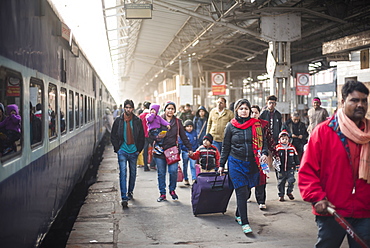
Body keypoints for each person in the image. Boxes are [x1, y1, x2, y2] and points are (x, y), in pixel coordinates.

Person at [298, 81, 370, 247]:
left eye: (364, 100)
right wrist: (317, 197)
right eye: (354, 100)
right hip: (331, 210)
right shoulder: (324, 132)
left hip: (365, 210)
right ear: (343, 101)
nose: (360, 104)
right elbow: (307, 170)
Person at [218, 99, 268, 234]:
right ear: (236, 111)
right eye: (241, 109)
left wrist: (264, 153)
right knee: (240, 191)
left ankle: (239, 214)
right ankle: (245, 222)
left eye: (246, 108)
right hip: (235, 162)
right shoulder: (230, 126)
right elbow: (226, 146)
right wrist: (221, 164)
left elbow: (264, 142)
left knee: (246, 192)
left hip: (252, 163)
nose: (244, 111)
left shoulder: (256, 125)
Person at [150, 101, 193, 202]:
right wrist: (157, 136)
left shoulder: (178, 122)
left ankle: (172, 190)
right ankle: (162, 193)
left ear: (174, 110)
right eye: (168, 108)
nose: (170, 110)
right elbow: (150, 133)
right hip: (159, 150)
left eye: (172, 109)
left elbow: (183, 136)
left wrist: (189, 148)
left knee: (173, 171)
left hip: (172, 151)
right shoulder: (157, 119)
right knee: (161, 173)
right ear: (165, 110)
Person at [111, 99, 145, 208]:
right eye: (126, 107)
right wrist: (118, 148)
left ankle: (130, 191)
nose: (128, 109)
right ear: (124, 108)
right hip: (123, 151)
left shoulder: (137, 121)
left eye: (130, 108)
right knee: (123, 173)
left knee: (133, 172)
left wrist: (138, 150)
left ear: (133, 109)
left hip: (134, 151)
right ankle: (124, 197)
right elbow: (113, 136)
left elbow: (141, 136)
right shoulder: (118, 121)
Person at [249, 105, 280, 210]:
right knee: (247, 178)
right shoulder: (244, 125)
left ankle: (261, 201)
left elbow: (266, 141)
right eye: (252, 112)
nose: (254, 114)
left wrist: (265, 153)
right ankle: (246, 196)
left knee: (260, 179)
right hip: (247, 156)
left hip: (260, 156)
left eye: (256, 112)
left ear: (259, 114)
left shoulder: (262, 126)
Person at [275, 130, 300, 202]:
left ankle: (289, 192)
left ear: (289, 139)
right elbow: (274, 157)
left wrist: (297, 165)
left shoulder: (292, 148)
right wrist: (276, 165)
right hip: (281, 169)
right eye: (283, 139)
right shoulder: (277, 148)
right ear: (280, 140)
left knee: (291, 180)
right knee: (281, 182)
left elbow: (296, 157)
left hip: (290, 168)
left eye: (286, 139)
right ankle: (281, 195)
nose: (284, 140)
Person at [179, 119, 198, 185]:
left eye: (191, 126)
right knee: (185, 165)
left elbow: (196, 142)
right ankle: (185, 178)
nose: (189, 128)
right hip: (185, 152)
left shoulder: (195, 133)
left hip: (193, 152)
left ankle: (194, 178)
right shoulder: (183, 134)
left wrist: (194, 150)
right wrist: (186, 150)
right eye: (187, 126)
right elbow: (181, 143)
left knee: (193, 165)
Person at [139, 101, 152, 171]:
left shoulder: (141, 116)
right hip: (151, 135)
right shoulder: (152, 115)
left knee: (145, 150)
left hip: (143, 136)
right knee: (155, 149)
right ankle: (153, 164)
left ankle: (145, 166)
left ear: (144, 107)